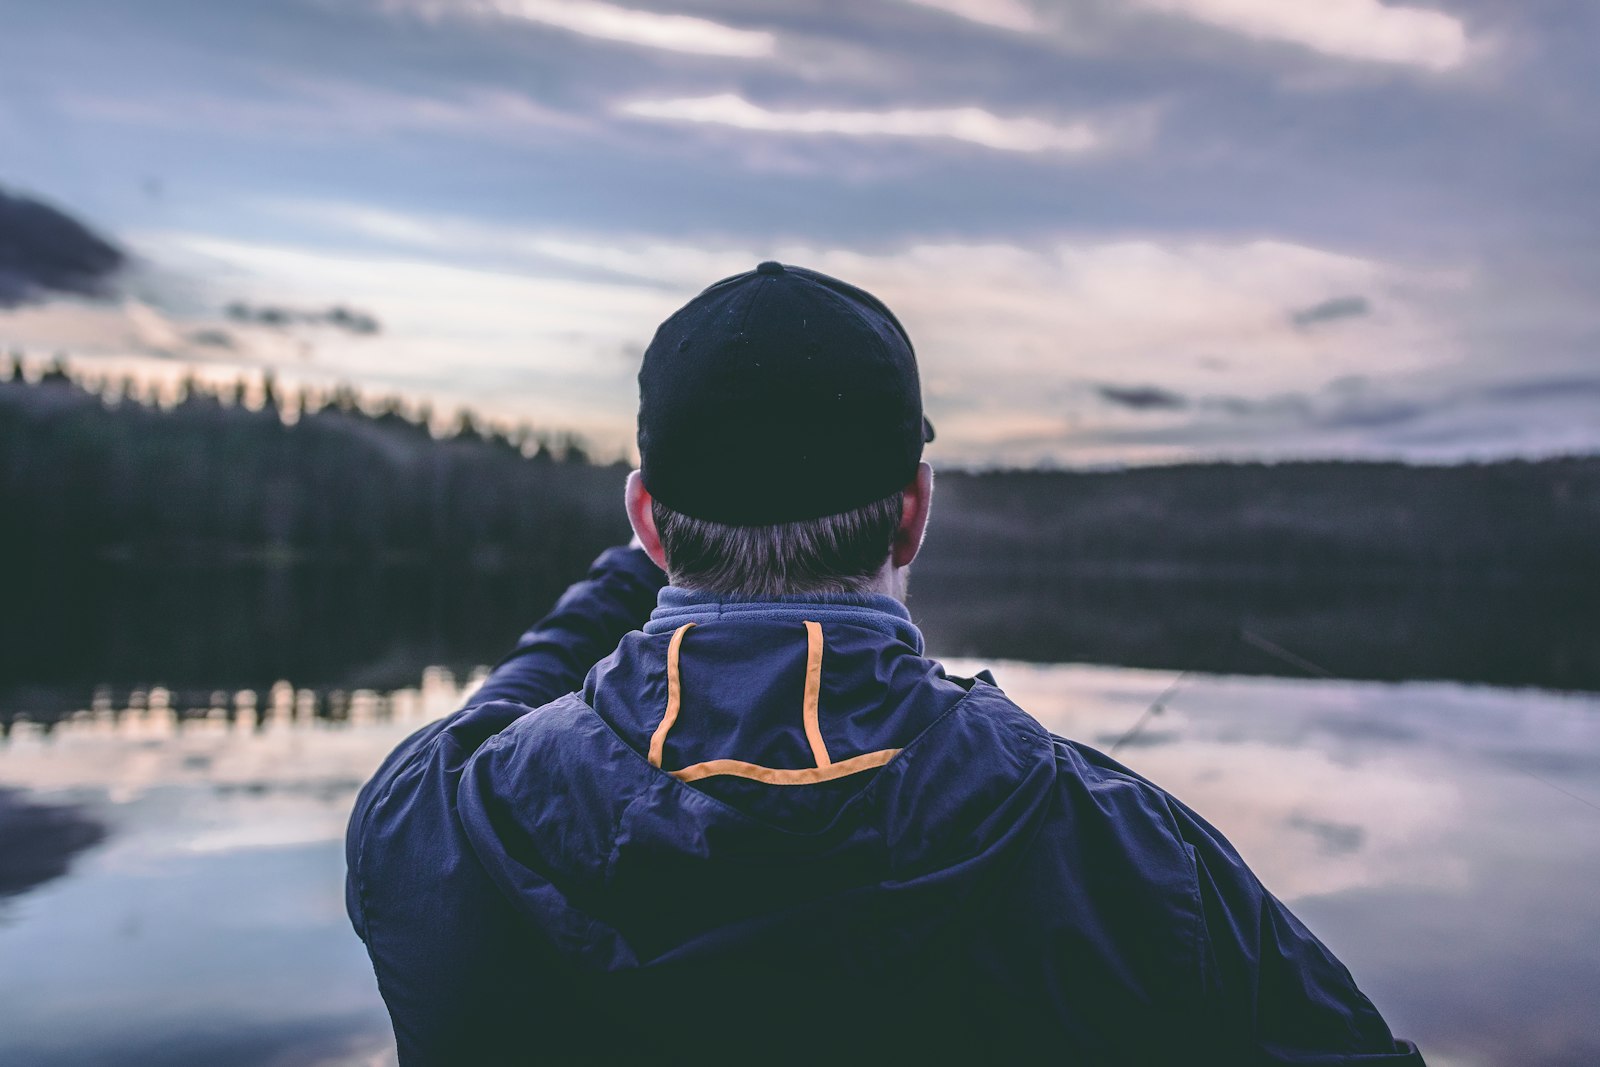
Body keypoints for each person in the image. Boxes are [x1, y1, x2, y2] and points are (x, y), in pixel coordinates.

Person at [345, 261, 1424, 1065]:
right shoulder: (1133, 856)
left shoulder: (435, 824)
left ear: (647, 520)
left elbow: (511, 698)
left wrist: (633, 571)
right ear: (913, 512)